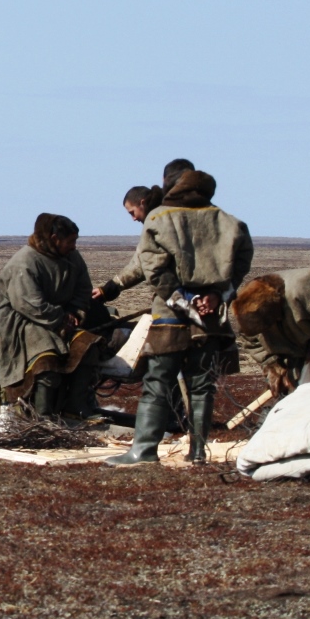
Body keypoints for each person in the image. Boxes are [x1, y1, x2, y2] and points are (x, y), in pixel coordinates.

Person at [110, 169, 252, 465]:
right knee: (202, 385)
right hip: (211, 317)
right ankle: (197, 451)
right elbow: (240, 263)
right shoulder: (230, 222)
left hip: (169, 316)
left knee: (157, 382)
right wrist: (216, 295)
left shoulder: (159, 218)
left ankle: (144, 450)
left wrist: (186, 300)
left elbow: (152, 268)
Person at [0, 213, 102, 418]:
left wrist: (75, 312)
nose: (74, 246)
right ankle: (42, 416)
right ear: (54, 239)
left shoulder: (72, 258)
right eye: (70, 241)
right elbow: (28, 303)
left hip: (60, 318)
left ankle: (75, 407)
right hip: (23, 321)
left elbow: (83, 289)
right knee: (46, 360)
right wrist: (60, 318)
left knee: (88, 347)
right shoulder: (24, 261)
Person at [93, 184, 163, 304]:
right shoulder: (168, 216)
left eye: (132, 212)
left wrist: (110, 288)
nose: (133, 219)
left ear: (143, 203)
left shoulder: (157, 224)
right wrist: (108, 289)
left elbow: (140, 264)